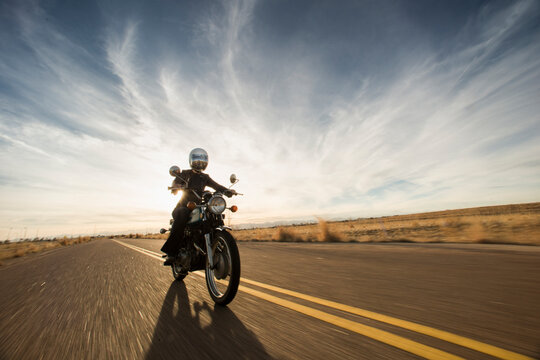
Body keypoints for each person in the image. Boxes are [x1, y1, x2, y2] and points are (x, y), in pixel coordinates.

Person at [161, 148, 236, 265]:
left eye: (202, 160)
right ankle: (171, 253)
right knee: (182, 214)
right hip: (184, 206)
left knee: (212, 214)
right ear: (192, 161)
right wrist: (176, 186)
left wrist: (227, 190)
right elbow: (175, 184)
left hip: (199, 206)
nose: (200, 163)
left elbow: (216, 186)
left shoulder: (205, 177)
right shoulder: (184, 174)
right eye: (197, 160)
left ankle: (213, 244)